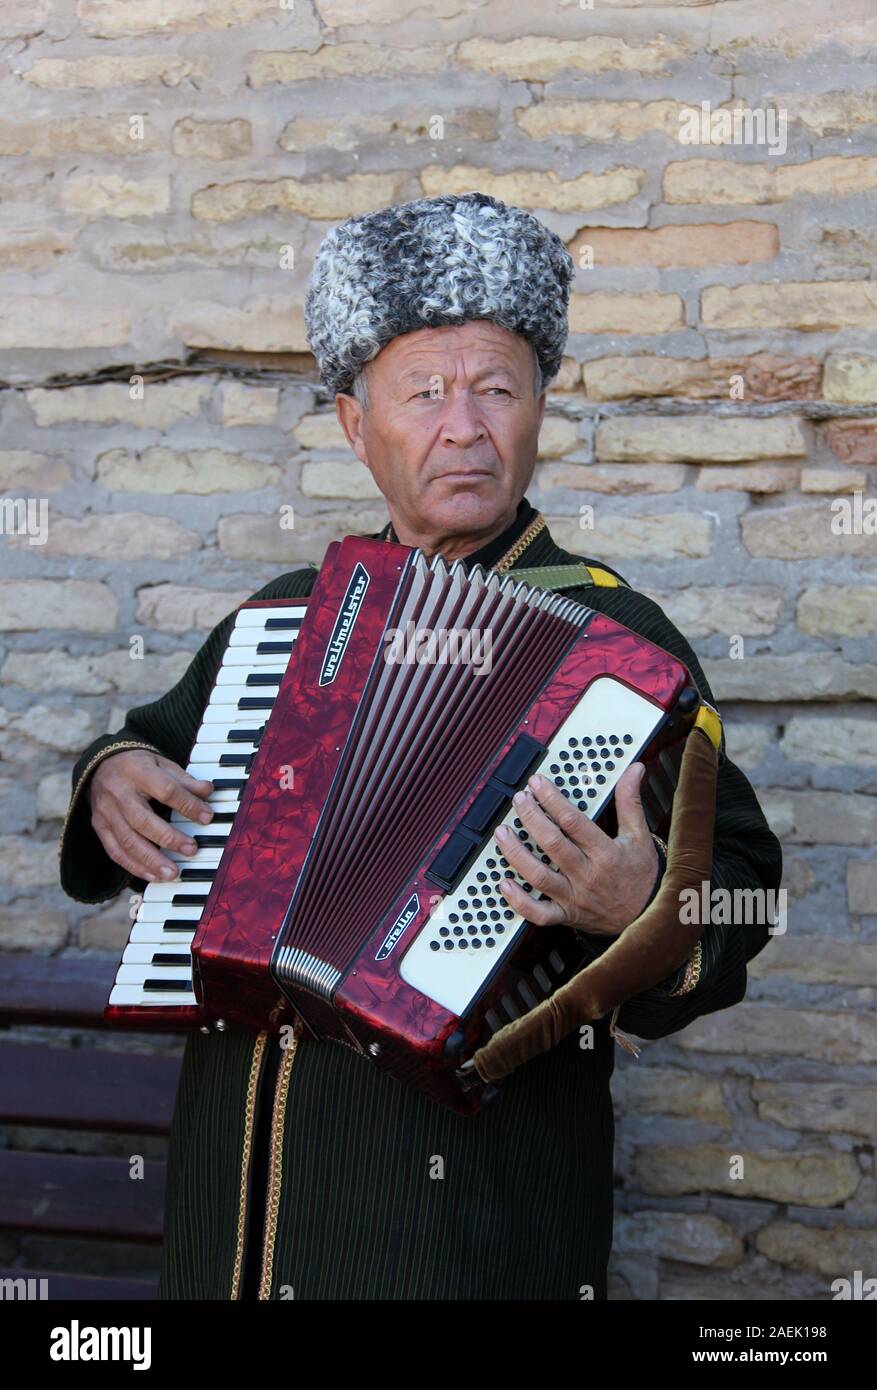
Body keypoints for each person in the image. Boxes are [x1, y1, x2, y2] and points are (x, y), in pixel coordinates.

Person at [59, 192, 782, 1300]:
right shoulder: (282, 623)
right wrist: (111, 775)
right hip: (235, 1199)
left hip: (460, 1227)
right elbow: (154, 749)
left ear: (540, 409)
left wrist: (644, 905)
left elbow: (742, 892)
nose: (465, 425)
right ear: (357, 425)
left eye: (497, 388)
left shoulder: (617, 643)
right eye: (426, 391)